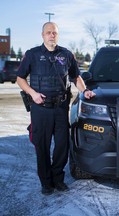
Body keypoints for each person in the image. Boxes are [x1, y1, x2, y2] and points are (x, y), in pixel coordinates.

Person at [16, 22, 95, 195]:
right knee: (42, 146)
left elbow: (76, 77)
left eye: (55, 33)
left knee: (62, 146)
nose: (52, 35)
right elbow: (20, 79)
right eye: (49, 32)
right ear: (42, 35)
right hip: (40, 108)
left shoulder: (66, 55)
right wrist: (33, 93)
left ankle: (58, 179)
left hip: (60, 108)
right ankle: (46, 182)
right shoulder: (32, 54)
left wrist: (86, 90)